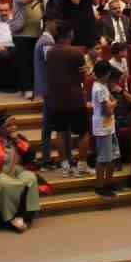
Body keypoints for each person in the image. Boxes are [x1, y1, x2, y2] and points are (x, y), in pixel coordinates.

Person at [43, 23, 91, 176]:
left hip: (56, 98)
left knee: (61, 132)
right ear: (70, 34)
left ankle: (64, 166)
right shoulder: (76, 52)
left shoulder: (50, 52)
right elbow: (84, 75)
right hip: (74, 98)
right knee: (84, 132)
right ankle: (82, 165)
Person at [90, 61, 120, 198]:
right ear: (107, 74)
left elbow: (112, 101)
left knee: (112, 157)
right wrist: (113, 104)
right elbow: (108, 110)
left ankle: (109, 183)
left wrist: (112, 103)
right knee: (103, 158)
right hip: (103, 127)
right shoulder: (99, 89)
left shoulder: (102, 85)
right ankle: (100, 186)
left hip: (109, 126)